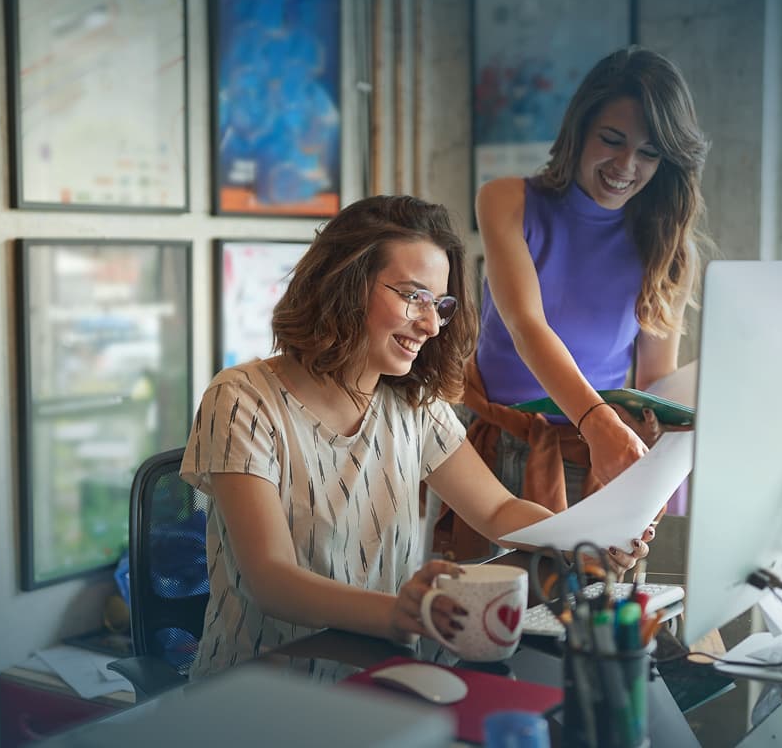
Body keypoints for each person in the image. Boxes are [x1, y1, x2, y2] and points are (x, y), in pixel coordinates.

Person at [179, 195, 650, 677]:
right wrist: (399, 613)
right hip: (259, 693)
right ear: (346, 283)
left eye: (439, 304)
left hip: (382, 674)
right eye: (412, 296)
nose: (430, 324)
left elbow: (496, 511)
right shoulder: (242, 398)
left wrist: (585, 537)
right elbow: (271, 579)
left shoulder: (413, 404)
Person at [445, 47, 712, 557]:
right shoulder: (506, 200)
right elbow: (526, 326)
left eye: (649, 153)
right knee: (490, 614)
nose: (625, 166)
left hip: (600, 457)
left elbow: (655, 379)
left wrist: (658, 431)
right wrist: (600, 423)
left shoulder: (671, 248)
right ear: (579, 130)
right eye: (611, 140)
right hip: (496, 445)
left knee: (588, 623)